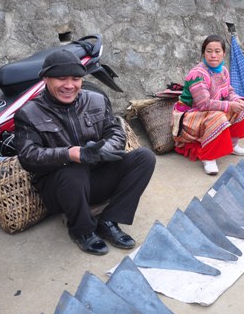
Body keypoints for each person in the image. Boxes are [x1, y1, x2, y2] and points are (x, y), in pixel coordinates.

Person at [14, 50, 156, 255]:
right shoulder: (29, 113)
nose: (69, 85)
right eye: (61, 78)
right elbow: (28, 156)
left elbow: (115, 131)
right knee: (74, 170)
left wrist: (105, 150)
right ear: (45, 78)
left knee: (144, 157)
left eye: (76, 78)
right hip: (60, 190)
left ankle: (109, 220)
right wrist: (70, 154)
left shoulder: (97, 100)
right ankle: (82, 231)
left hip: (95, 179)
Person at [172, 35, 244, 176]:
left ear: (223, 54)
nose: (213, 55)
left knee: (243, 108)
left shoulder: (223, 71)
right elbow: (204, 104)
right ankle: (208, 157)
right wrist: (229, 105)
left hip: (209, 110)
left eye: (217, 51)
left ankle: (232, 145)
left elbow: (228, 92)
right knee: (218, 117)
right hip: (189, 116)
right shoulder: (197, 74)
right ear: (203, 53)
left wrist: (236, 100)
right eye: (209, 51)